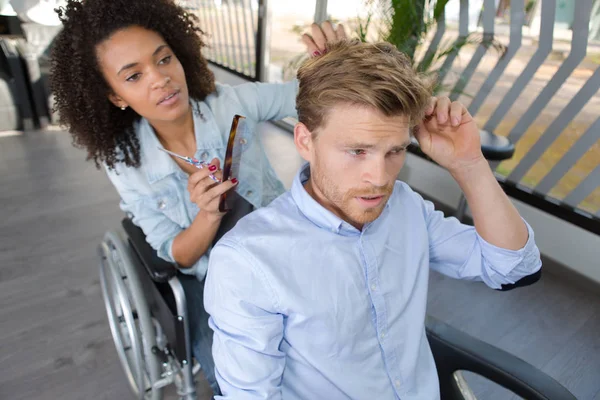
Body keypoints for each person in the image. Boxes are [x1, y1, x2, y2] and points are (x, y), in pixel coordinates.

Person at [204, 39, 543, 400]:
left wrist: (469, 164)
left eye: (395, 151)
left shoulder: (405, 207)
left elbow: (513, 267)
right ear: (305, 141)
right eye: (357, 151)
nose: (380, 177)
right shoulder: (248, 262)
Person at [49, 0, 345, 395]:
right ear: (115, 96)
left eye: (164, 59)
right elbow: (179, 256)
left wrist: (333, 64)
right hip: (215, 281)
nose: (160, 79)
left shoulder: (230, 105)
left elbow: (306, 96)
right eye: (134, 76)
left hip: (284, 249)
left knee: (334, 347)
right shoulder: (126, 163)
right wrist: (207, 216)